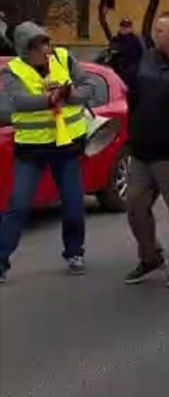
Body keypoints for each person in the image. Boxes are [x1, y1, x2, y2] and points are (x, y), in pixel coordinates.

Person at [0, 24, 94, 282]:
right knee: (18, 206)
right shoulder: (13, 71)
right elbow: (17, 101)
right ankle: (1, 262)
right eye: (38, 45)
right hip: (31, 150)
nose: (45, 49)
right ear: (25, 51)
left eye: (46, 43)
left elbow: (89, 88)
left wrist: (71, 93)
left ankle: (74, 253)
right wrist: (50, 99)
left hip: (65, 147)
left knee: (74, 203)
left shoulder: (64, 58)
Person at [122, 11, 169, 287]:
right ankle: (150, 256)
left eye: (161, 31)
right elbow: (135, 92)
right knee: (135, 204)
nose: (155, 35)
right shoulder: (149, 58)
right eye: (156, 30)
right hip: (142, 148)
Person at [108, 16, 145, 82]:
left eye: (127, 26)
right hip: (118, 74)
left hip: (133, 74)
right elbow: (111, 54)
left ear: (131, 28)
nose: (124, 28)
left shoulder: (136, 40)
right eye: (122, 26)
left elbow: (141, 55)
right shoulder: (115, 40)